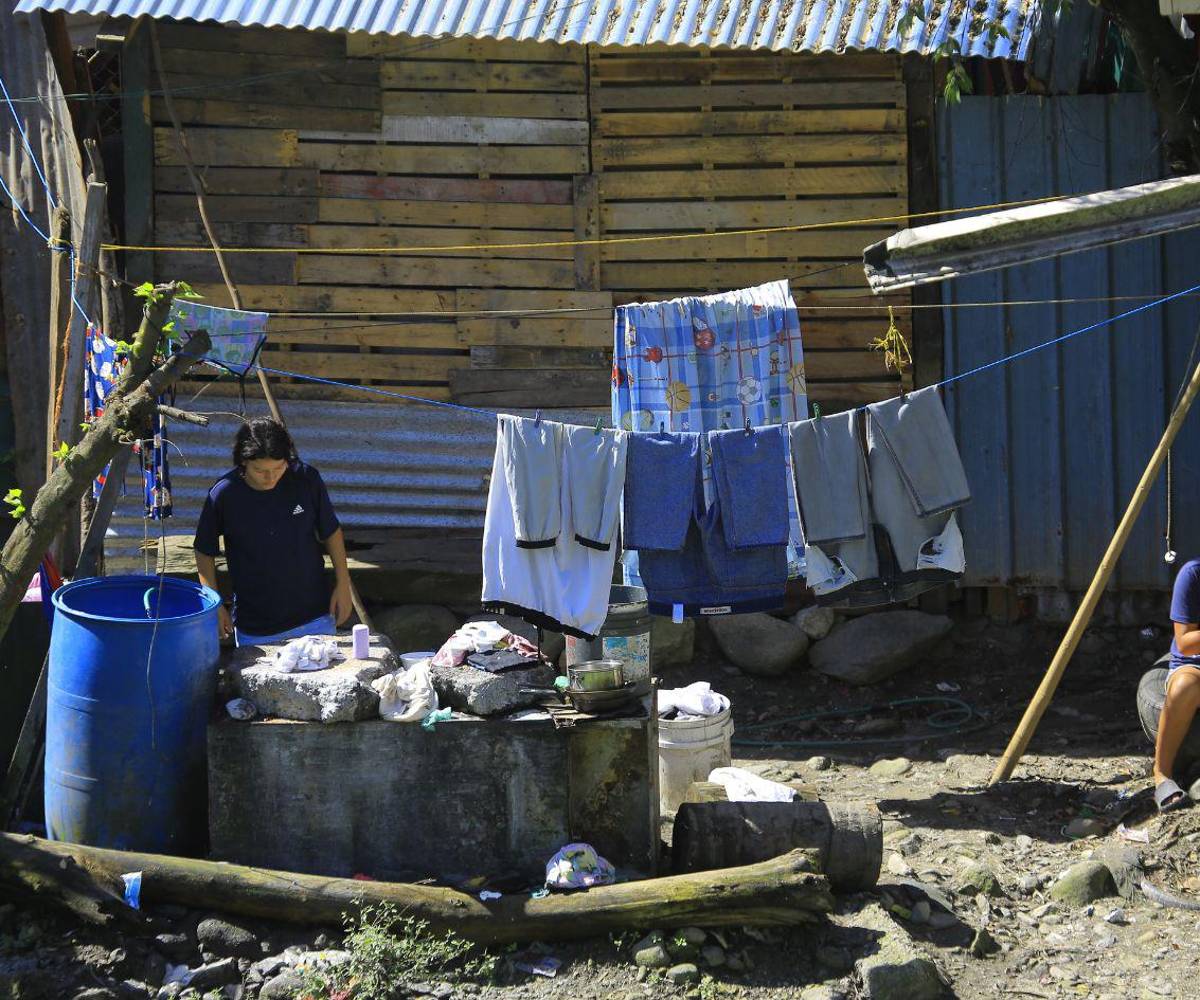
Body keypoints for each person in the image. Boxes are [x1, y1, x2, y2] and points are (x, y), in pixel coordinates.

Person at [194, 417, 353, 646]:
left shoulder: (306, 479)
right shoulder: (224, 495)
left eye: (278, 468)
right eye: (260, 471)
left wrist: (343, 584)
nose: (270, 478)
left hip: (315, 617)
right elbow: (203, 550)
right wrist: (213, 604)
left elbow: (331, 531)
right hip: (256, 627)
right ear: (243, 463)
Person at [1155, 557, 1200, 811]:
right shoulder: (1193, 574)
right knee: (1184, 687)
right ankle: (1162, 774)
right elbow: (1185, 642)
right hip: (1194, 665)